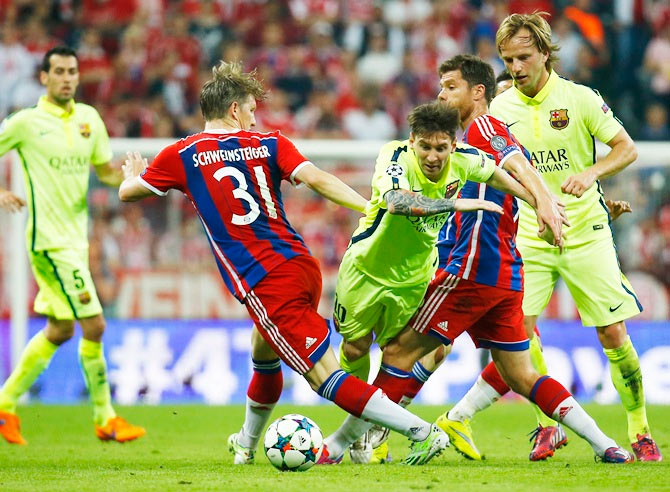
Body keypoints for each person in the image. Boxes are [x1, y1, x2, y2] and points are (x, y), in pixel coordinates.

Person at [118, 61, 456, 467]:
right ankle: (245, 443)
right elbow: (316, 179)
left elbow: (128, 194)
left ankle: (421, 432)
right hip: (299, 264)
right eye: (251, 111)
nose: (254, 119)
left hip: (265, 279)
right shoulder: (271, 144)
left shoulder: (181, 154)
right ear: (234, 112)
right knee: (263, 348)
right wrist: (369, 206)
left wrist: (131, 175)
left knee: (324, 378)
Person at [322, 54, 635, 466]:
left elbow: (516, 164)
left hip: (470, 267)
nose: (442, 93)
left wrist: (542, 199)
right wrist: (545, 203)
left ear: (477, 92)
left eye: (450, 86)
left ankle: (343, 445)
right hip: (505, 272)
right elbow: (508, 176)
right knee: (520, 375)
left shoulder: (484, 126)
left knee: (398, 353)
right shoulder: (463, 143)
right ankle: (605, 444)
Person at [325, 92, 563, 463]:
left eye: (440, 147)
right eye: (424, 147)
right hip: (367, 271)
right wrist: (456, 203)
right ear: (412, 142)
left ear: (453, 145)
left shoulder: (465, 158)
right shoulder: (394, 155)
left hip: (415, 277)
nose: (432, 156)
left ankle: (366, 436)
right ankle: (358, 425)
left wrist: (539, 202)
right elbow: (396, 202)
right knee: (355, 349)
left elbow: (499, 175)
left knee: (398, 353)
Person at [487, 12, 660, 462]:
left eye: (524, 57)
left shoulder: (581, 98)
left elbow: (627, 148)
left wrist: (591, 173)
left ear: (545, 52)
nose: (516, 68)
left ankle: (640, 429)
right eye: (508, 60)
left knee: (612, 332)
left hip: (586, 232)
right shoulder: (500, 110)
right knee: (517, 332)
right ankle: (548, 425)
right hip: (531, 235)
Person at [0, 46, 146, 445]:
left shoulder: (89, 120)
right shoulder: (26, 123)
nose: (67, 77)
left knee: (62, 328)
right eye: (59, 71)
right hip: (49, 242)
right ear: (44, 78)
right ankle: (105, 417)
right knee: (94, 324)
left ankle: (6, 404)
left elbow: (103, 171)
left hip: (75, 241)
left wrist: (132, 178)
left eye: (72, 71)